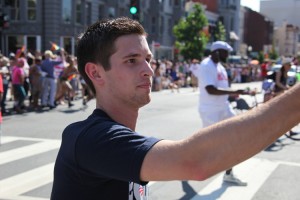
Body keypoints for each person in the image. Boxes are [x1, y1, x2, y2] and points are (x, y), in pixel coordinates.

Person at [51, 17, 300, 199]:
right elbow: (195, 162)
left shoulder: (119, 137)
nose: (149, 70)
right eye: (131, 61)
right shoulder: (91, 139)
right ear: (95, 72)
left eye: (148, 59)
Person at [195, 41, 250, 186]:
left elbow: (222, 90)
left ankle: (228, 174)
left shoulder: (220, 67)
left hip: (224, 108)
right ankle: (184, 158)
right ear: (217, 51)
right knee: (209, 142)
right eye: (226, 52)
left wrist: (236, 95)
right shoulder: (206, 65)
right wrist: (234, 92)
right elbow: (211, 90)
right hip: (210, 110)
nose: (228, 55)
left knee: (235, 135)